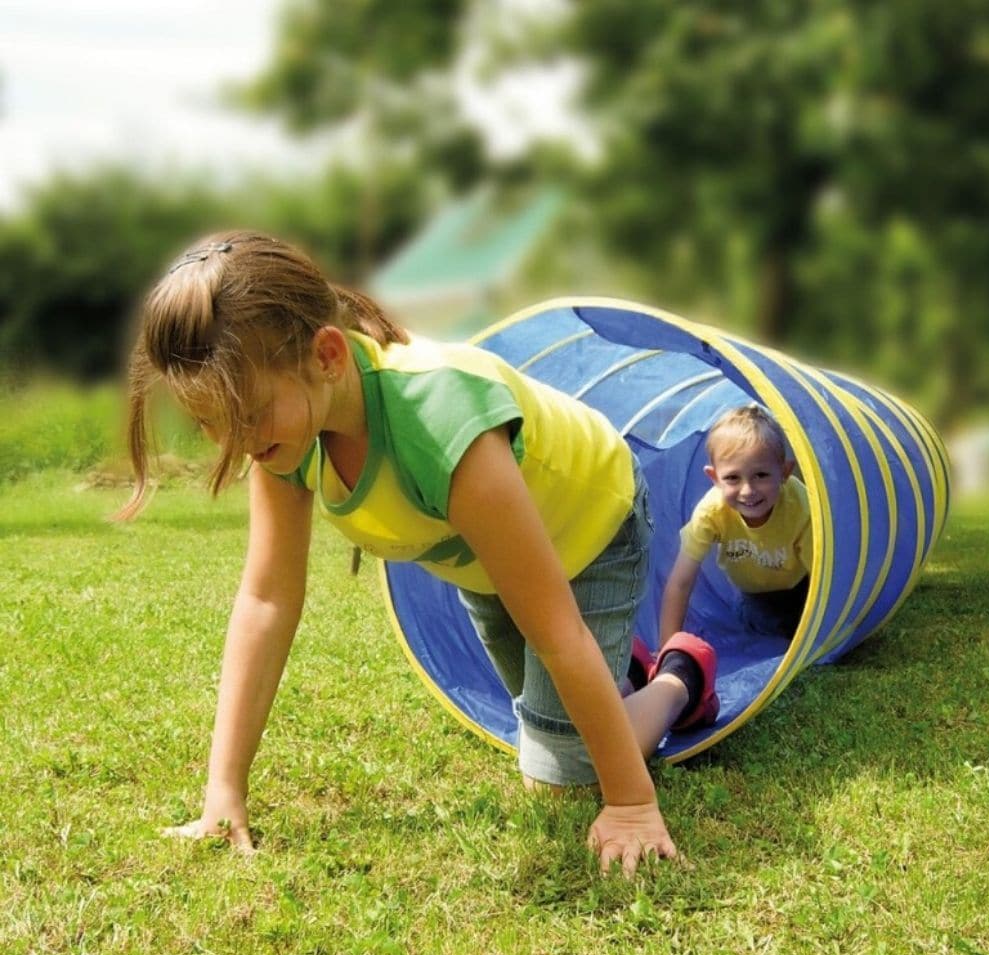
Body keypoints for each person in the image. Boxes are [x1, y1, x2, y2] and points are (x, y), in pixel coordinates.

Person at [118, 230, 718, 877]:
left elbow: (554, 627)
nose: (232, 442)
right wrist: (223, 794)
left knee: (562, 774)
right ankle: (616, 669)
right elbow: (266, 600)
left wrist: (630, 802)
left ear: (325, 355)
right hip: (488, 564)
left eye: (248, 414)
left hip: (591, 525)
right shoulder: (281, 435)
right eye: (210, 423)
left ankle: (679, 677)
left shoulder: (438, 419)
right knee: (560, 726)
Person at [658, 404, 812, 649]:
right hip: (755, 598)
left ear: (784, 472)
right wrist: (667, 647)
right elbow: (680, 582)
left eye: (761, 475)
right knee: (760, 620)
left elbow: (824, 572)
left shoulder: (798, 506)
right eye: (732, 478)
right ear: (714, 478)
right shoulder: (711, 512)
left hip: (804, 587)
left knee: (801, 628)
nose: (748, 491)